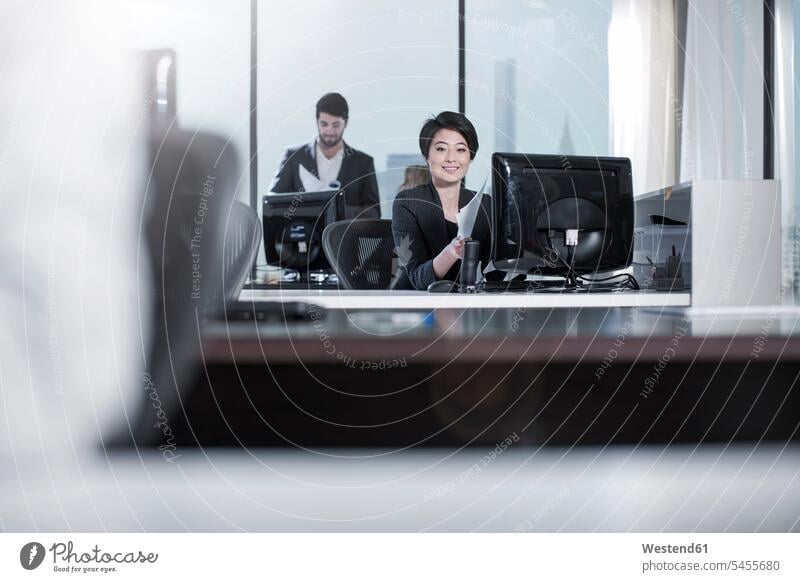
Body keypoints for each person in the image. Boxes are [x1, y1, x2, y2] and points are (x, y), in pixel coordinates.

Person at [392, 112, 493, 290]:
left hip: (470, 306)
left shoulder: (485, 205)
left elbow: (494, 272)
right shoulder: (408, 203)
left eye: (461, 149)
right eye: (441, 149)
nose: (451, 158)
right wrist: (451, 252)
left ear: (471, 156)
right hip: (417, 307)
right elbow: (417, 278)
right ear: (426, 156)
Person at [270, 92, 380, 219]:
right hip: (302, 237)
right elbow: (272, 201)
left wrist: (335, 211)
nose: (329, 131)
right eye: (324, 124)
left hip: (343, 238)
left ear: (346, 123)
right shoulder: (293, 156)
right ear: (316, 121)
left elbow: (374, 212)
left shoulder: (363, 163)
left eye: (336, 125)